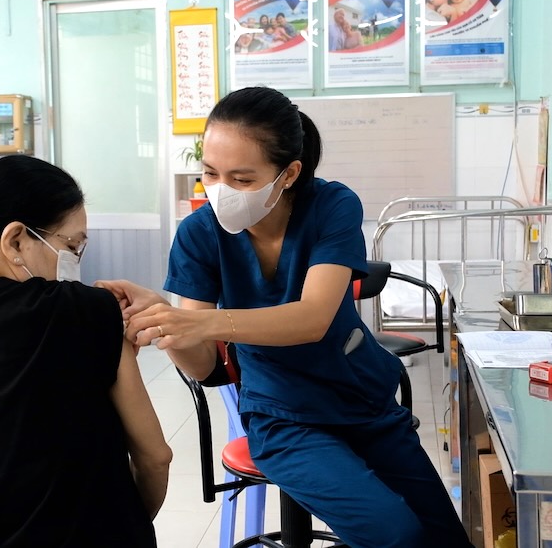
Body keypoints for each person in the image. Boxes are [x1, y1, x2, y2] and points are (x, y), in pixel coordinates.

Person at [103, 87, 471, 548]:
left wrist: (205, 323)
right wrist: (164, 323)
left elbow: (313, 318)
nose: (220, 192)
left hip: (363, 401)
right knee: (392, 533)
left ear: (289, 173)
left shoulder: (331, 206)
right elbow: (202, 367)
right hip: (284, 417)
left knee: (443, 538)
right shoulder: (199, 234)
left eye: (241, 179)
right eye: (210, 174)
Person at [0, 155, 172, 547]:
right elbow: (155, 458)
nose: (75, 259)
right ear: (15, 241)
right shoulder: (88, 309)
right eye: (72, 244)